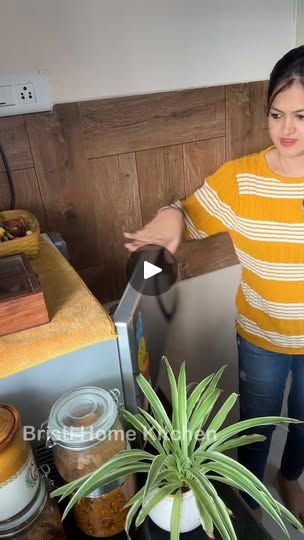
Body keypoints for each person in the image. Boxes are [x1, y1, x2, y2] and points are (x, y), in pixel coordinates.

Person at [124, 45, 304, 523]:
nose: (287, 129)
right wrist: (168, 216)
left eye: (302, 116)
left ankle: (292, 476)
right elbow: (186, 212)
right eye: (277, 114)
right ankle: (247, 497)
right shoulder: (241, 180)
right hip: (262, 335)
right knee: (256, 423)